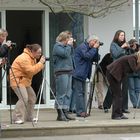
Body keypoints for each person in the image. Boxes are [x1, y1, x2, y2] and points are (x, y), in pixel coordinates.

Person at [10, 44, 46, 124]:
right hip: (17, 80)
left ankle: (29, 117)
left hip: (25, 81)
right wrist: (40, 64)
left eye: (40, 52)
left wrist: (39, 64)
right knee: (23, 98)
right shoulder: (24, 58)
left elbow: (32, 71)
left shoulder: (32, 58)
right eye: (39, 53)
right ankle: (17, 118)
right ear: (32, 51)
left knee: (32, 97)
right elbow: (30, 71)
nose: (40, 54)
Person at [106, 51, 140, 120]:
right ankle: (115, 115)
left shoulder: (134, 59)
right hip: (112, 73)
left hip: (117, 74)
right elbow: (135, 70)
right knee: (117, 95)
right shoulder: (132, 58)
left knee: (119, 95)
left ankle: (119, 113)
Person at [72, 35, 100, 117]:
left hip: (83, 73)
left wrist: (96, 49)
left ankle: (82, 111)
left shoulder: (91, 49)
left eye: (96, 42)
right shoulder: (82, 47)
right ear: (89, 41)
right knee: (79, 93)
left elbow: (96, 59)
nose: (95, 43)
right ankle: (80, 112)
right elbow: (87, 56)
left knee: (83, 93)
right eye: (94, 41)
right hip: (78, 73)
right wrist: (94, 49)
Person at [53, 31, 75, 121]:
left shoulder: (67, 47)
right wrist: (69, 45)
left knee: (68, 93)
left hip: (69, 71)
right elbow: (65, 54)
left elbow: (71, 53)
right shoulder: (57, 46)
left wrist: (71, 46)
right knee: (61, 93)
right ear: (64, 39)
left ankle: (65, 112)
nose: (69, 40)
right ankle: (60, 114)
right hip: (61, 72)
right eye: (68, 38)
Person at [110, 30, 130, 113]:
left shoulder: (125, 45)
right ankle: (111, 106)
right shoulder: (113, 45)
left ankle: (124, 107)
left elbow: (128, 56)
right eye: (121, 35)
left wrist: (129, 49)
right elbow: (115, 54)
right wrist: (122, 48)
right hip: (117, 69)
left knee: (125, 88)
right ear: (117, 36)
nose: (123, 37)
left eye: (124, 35)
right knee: (116, 89)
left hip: (125, 68)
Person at [127, 39, 140, 108]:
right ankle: (135, 104)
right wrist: (132, 50)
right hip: (130, 73)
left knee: (138, 89)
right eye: (134, 44)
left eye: (136, 44)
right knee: (131, 89)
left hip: (138, 73)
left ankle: (138, 105)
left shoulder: (138, 50)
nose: (135, 45)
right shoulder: (128, 50)